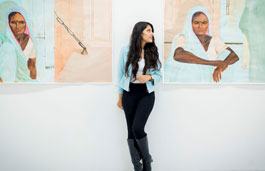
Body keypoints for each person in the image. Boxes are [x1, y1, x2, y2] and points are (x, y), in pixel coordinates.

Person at [117, 21, 162, 171]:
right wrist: (120, 96)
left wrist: (148, 77)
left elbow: (159, 74)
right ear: (140, 32)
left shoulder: (152, 51)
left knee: (138, 128)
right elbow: (120, 74)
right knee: (130, 131)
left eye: (152, 31)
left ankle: (147, 162)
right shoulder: (126, 50)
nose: (152, 34)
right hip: (129, 93)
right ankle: (137, 166)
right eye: (149, 31)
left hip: (146, 94)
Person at [164, 6, 239, 83]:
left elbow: (234, 55)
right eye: (196, 23)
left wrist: (221, 66)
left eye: (204, 23)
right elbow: (178, 54)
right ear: (190, 24)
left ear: (208, 24)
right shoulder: (183, 37)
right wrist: (212, 63)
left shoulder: (214, 40)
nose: (200, 26)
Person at [0, 7, 37, 83]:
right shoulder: (2, 40)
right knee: (8, 47)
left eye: (21, 22)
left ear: (26, 23)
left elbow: (32, 67)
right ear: (8, 23)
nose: (17, 26)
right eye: (13, 22)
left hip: (22, 81)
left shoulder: (30, 43)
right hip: (4, 82)